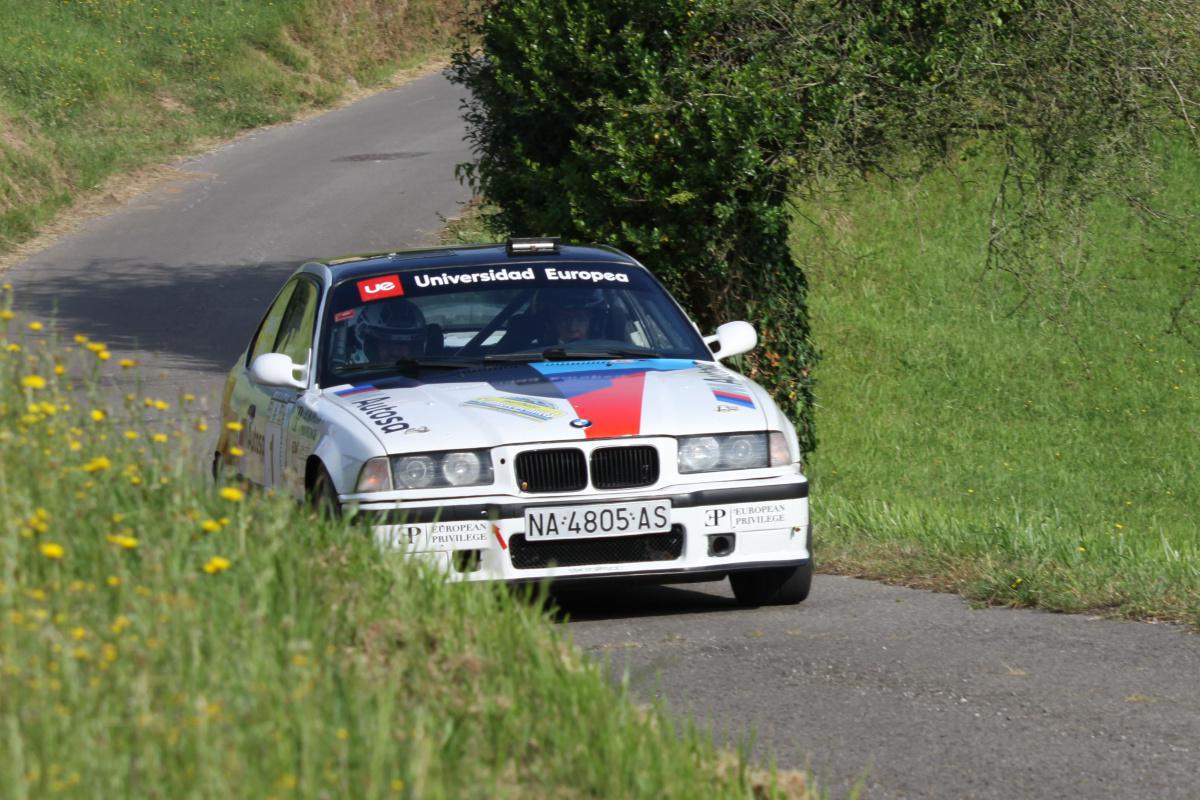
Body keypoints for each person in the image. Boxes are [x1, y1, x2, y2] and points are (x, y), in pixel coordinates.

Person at [353, 298, 427, 362]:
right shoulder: (351, 374)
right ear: (372, 345)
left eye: (402, 343)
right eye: (387, 342)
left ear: (413, 348)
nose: (395, 351)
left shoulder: (430, 373)